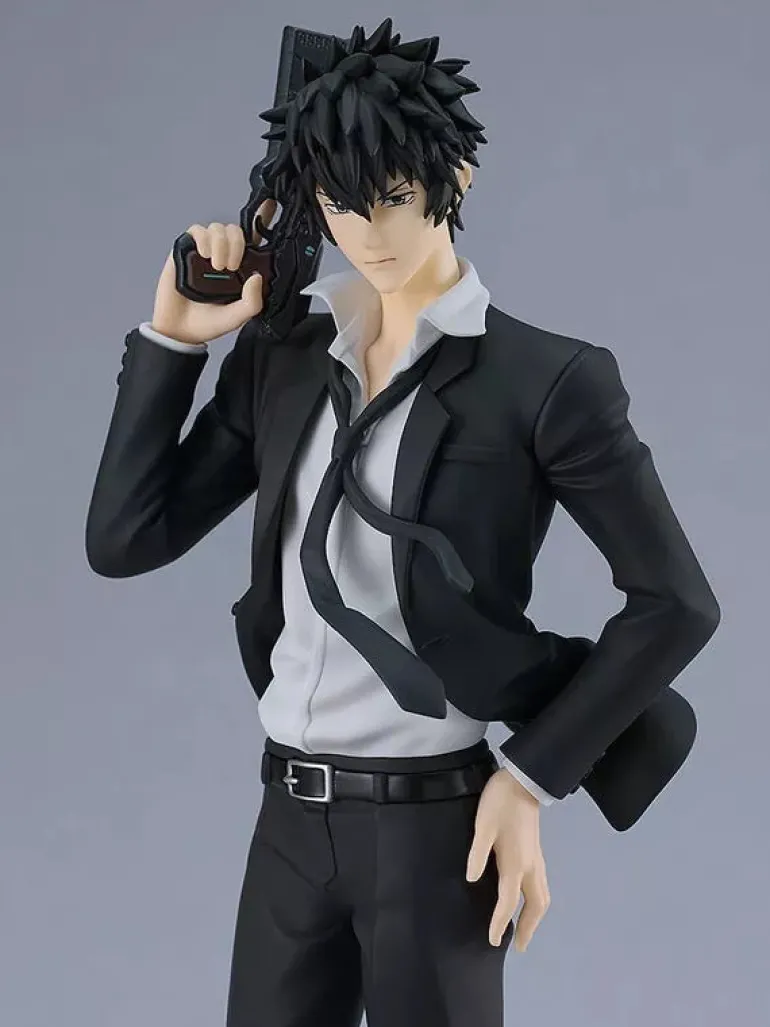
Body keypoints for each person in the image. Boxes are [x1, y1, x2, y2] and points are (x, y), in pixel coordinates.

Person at [85, 16, 720, 1027]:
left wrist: (529, 777)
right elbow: (126, 538)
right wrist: (173, 341)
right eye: (339, 203)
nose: (367, 232)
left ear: (452, 180)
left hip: (436, 829)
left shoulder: (543, 380)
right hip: (288, 823)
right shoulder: (285, 357)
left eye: (392, 196)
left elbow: (676, 603)